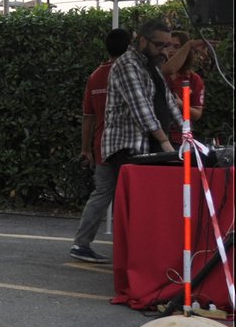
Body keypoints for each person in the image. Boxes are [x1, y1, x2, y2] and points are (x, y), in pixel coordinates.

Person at [69, 28, 131, 264]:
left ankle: (81, 243)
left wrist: (86, 149)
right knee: (129, 195)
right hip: (125, 145)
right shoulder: (128, 73)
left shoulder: (95, 75)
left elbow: (88, 117)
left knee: (101, 193)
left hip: (101, 144)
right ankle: (130, 246)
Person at [100, 20, 184, 170]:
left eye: (166, 45)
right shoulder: (127, 65)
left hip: (150, 146)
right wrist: (165, 141)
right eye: (159, 45)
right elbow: (141, 109)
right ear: (143, 40)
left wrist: (187, 133)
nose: (163, 50)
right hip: (128, 147)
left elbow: (168, 101)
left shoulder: (151, 64)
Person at [163, 29, 207, 145]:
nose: (171, 50)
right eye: (168, 45)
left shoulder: (194, 79)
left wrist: (181, 105)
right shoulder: (159, 72)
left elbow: (197, 113)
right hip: (158, 137)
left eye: (176, 46)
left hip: (180, 139)